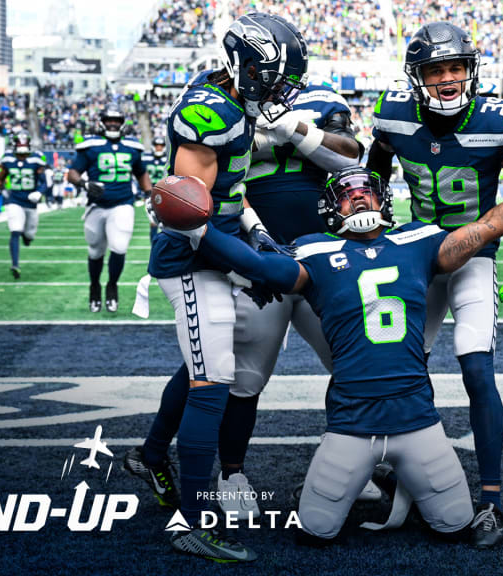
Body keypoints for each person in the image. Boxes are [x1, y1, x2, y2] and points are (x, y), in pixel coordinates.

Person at [167, 153, 503, 548]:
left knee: (454, 524)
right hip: (351, 427)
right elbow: (258, 265)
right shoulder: (315, 253)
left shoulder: (420, 241)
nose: (358, 202)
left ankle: (396, 480)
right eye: (348, 197)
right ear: (329, 210)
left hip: (418, 424)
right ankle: (366, 481)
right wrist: (199, 230)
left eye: (366, 193)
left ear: (384, 201)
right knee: (315, 530)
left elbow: (488, 227)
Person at [130, 79, 365, 520]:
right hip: (249, 254)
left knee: (353, 361)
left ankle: (357, 457)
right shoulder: (229, 103)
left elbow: (349, 155)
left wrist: (296, 129)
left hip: (321, 253)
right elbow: (216, 180)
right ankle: (230, 473)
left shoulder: (322, 98)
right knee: (239, 374)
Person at [126, 12, 308, 562]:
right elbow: (186, 215)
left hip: (219, 248)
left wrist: (258, 235)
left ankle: (154, 454)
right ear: (244, 65)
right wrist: (250, 264)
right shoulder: (210, 115)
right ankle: (195, 521)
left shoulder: (231, 102)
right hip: (191, 259)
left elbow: (229, 194)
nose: (278, 90)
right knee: (214, 377)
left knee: (204, 360)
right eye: (272, 77)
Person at [365, 21, 503, 547]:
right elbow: (370, 177)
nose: (447, 79)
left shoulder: (499, 120)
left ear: (470, 70)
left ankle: (489, 500)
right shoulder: (394, 114)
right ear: (416, 75)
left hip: (475, 255)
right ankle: (404, 469)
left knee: (475, 363)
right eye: (435, 69)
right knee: (398, 363)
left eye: (455, 67)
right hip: (419, 254)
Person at [67, 108, 151, 313]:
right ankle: (94, 286)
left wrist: (149, 193)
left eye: (116, 120)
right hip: (96, 205)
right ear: (102, 122)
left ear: (122, 123)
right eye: (109, 120)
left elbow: (141, 173)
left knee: (120, 247)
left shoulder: (132, 147)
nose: (112, 124)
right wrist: (85, 184)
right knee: (95, 250)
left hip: (122, 204)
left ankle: (112, 285)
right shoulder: (91, 146)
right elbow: (73, 173)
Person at [0, 132, 48, 279]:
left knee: (29, 236)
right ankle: (15, 265)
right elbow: (0, 179)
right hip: (15, 200)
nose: (22, 145)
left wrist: (39, 193)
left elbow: (44, 182)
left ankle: (27, 236)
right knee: (15, 230)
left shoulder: (36, 159)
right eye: (20, 142)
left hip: (31, 203)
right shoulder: (8, 159)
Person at [141, 135, 168, 243]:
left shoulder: (168, 159)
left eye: (161, 146)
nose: (159, 148)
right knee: (153, 222)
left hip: (165, 194)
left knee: (166, 222)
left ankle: (163, 245)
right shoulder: (146, 158)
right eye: (157, 146)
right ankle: (154, 245)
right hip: (150, 194)